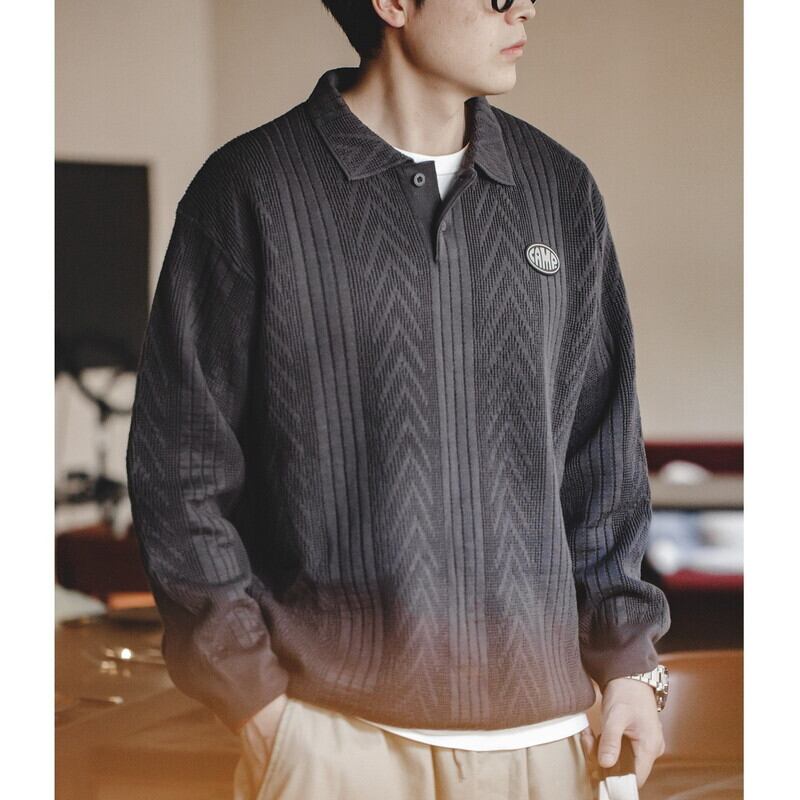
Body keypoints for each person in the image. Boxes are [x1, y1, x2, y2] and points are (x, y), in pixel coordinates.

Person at [125, 1, 671, 798]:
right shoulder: (251, 190)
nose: (524, 6)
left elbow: (603, 458)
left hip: (549, 743)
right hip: (332, 742)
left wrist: (629, 665)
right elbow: (180, 471)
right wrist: (258, 706)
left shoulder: (561, 191)